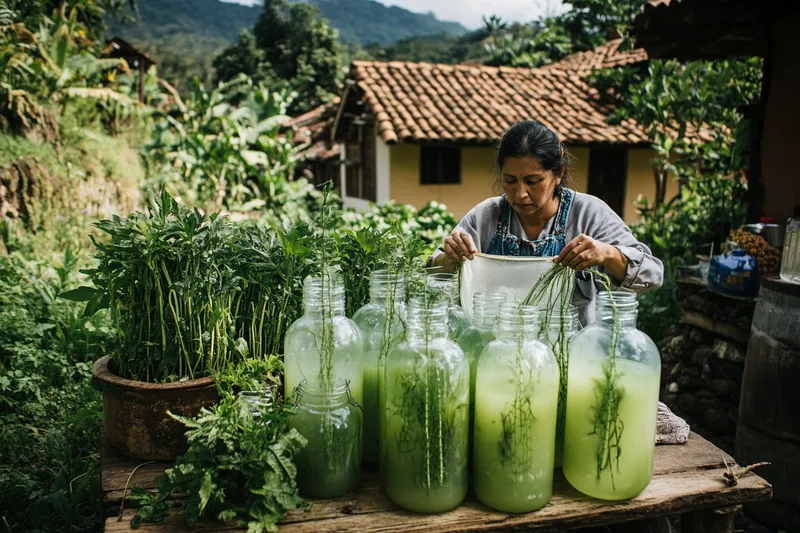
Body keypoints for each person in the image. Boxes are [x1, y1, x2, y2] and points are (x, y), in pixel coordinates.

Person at [429, 120, 664, 324]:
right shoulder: (485, 216)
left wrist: (608, 254)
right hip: (496, 348)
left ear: (559, 173)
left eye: (533, 181)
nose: (520, 193)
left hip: (570, 356)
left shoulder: (589, 214)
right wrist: (449, 257)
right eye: (510, 180)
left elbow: (651, 275)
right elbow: (432, 272)